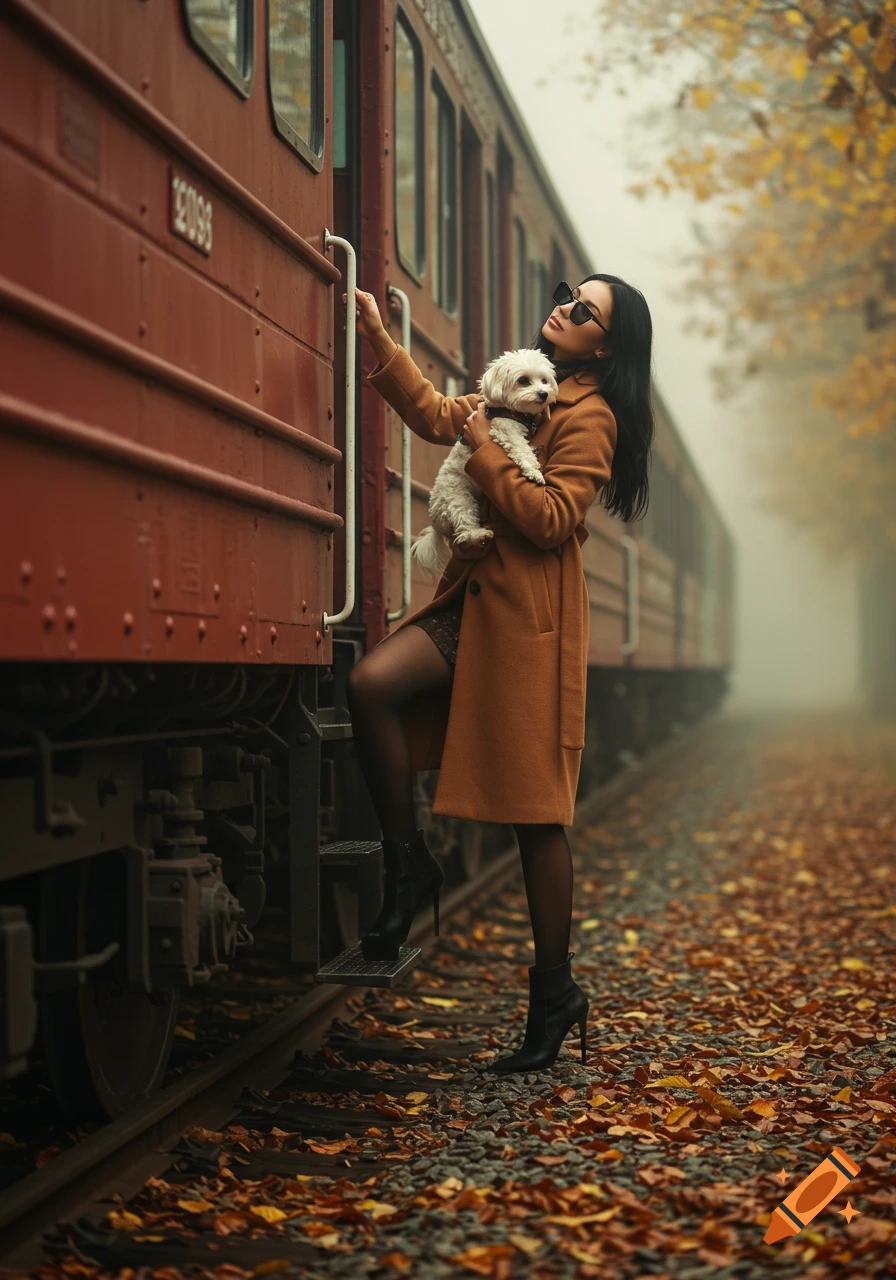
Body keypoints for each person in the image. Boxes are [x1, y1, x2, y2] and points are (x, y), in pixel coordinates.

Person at [342, 276, 654, 1073]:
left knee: (535, 818)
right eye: (563, 294)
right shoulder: (509, 380)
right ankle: (409, 866)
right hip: (470, 604)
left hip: (525, 628)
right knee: (371, 686)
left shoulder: (591, 417)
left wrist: (483, 450)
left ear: (605, 345)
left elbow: (552, 520)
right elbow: (434, 415)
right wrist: (379, 335)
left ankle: (555, 993)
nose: (563, 309)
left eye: (583, 311)